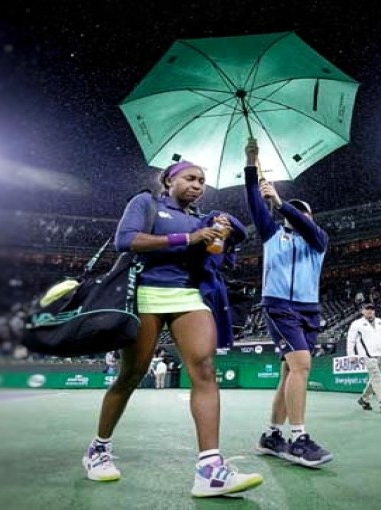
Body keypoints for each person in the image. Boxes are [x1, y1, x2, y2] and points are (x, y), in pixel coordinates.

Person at [81, 160, 263, 498]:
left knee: (205, 370)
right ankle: (98, 448)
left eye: (203, 181)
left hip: (189, 295)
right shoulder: (147, 203)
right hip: (146, 293)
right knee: (131, 375)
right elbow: (126, 239)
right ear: (169, 180)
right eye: (191, 178)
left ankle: (209, 470)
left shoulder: (202, 219)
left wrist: (221, 237)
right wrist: (188, 236)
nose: (198, 185)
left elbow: (214, 260)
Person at [243, 138, 333, 468]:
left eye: (301, 211)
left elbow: (307, 227)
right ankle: (297, 439)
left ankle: (271, 435)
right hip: (280, 305)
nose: (295, 216)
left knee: (288, 374)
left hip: (310, 309)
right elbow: (255, 204)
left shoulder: (319, 240)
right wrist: (252, 163)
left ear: (308, 216)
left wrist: (281, 202)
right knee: (301, 366)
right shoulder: (273, 235)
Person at [345, 302, 381, 413]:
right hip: (368, 355)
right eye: (367, 309)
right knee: (376, 377)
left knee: (375, 379)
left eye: (372, 309)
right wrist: (351, 354)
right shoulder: (357, 324)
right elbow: (351, 340)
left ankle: (364, 399)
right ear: (362, 311)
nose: (370, 311)